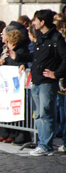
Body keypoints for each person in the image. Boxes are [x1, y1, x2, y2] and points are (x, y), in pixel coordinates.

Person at [26, 9, 66, 156]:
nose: (33, 23)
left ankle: (46, 146)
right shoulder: (41, 37)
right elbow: (35, 57)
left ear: (42, 22)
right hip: (37, 81)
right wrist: (19, 58)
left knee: (45, 114)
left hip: (47, 83)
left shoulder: (56, 38)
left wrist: (56, 74)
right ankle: (42, 143)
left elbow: (64, 58)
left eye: (35, 20)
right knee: (38, 115)